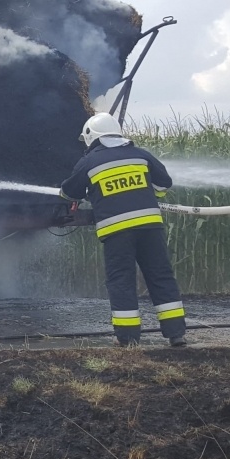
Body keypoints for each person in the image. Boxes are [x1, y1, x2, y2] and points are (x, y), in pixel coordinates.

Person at [58, 112, 188, 348]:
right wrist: (147, 196)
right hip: (150, 226)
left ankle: (128, 339)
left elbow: (69, 192)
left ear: (91, 137)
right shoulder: (140, 155)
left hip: (117, 230)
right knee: (160, 276)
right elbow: (164, 184)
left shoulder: (89, 162)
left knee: (121, 281)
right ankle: (176, 334)